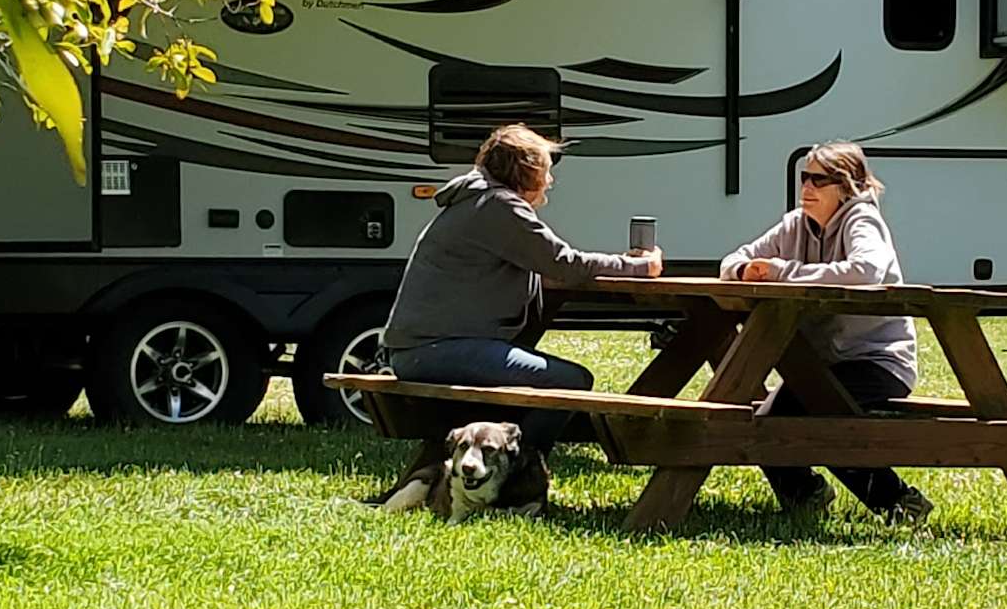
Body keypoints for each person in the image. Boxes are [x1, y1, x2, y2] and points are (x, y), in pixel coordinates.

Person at [377, 124, 659, 480]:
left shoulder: (475, 199)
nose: (550, 181)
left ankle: (494, 468)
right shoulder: (498, 206)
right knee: (570, 380)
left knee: (541, 382)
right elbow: (565, 263)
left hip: (418, 349)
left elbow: (545, 263)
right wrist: (638, 266)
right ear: (526, 171)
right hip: (435, 350)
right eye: (545, 170)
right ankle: (518, 475)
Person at [725, 140, 932, 524]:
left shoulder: (862, 220)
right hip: (820, 366)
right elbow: (731, 261)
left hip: (878, 362)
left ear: (846, 186)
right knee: (768, 420)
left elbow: (866, 272)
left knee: (812, 413)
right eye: (804, 177)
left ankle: (900, 504)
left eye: (819, 180)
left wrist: (781, 272)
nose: (806, 188)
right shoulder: (795, 225)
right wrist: (744, 271)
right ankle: (807, 496)